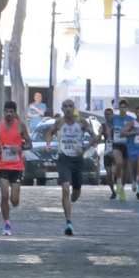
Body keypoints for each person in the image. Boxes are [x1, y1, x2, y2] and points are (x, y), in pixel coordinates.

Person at [0, 100, 31, 235]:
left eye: (11, 111)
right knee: (4, 195)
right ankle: (7, 223)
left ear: (15, 113)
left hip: (17, 167)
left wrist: (20, 147)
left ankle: (14, 203)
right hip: (3, 166)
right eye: (7, 111)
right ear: (4, 112)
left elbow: (30, 144)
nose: (9, 114)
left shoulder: (20, 126)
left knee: (14, 200)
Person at [52, 99, 95, 235]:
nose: (68, 109)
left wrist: (84, 147)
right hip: (64, 158)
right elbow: (49, 133)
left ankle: (71, 200)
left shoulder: (81, 121)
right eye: (65, 106)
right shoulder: (59, 122)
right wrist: (48, 144)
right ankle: (69, 222)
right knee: (65, 188)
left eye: (71, 106)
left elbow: (95, 137)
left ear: (74, 108)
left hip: (77, 160)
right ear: (62, 108)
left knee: (75, 193)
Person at [109, 104, 131, 200]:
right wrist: (109, 136)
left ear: (127, 108)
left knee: (126, 167)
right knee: (118, 163)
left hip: (127, 144)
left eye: (124, 107)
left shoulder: (130, 119)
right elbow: (109, 127)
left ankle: (122, 188)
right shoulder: (114, 118)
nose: (122, 109)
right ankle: (118, 182)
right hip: (116, 143)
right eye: (121, 107)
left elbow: (133, 130)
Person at [100, 106, 118, 199]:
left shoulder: (116, 125)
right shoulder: (102, 126)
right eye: (106, 114)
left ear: (113, 115)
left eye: (109, 114)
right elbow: (99, 138)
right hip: (107, 151)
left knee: (116, 171)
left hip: (117, 150)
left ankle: (119, 186)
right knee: (108, 173)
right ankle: (113, 191)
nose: (108, 116)